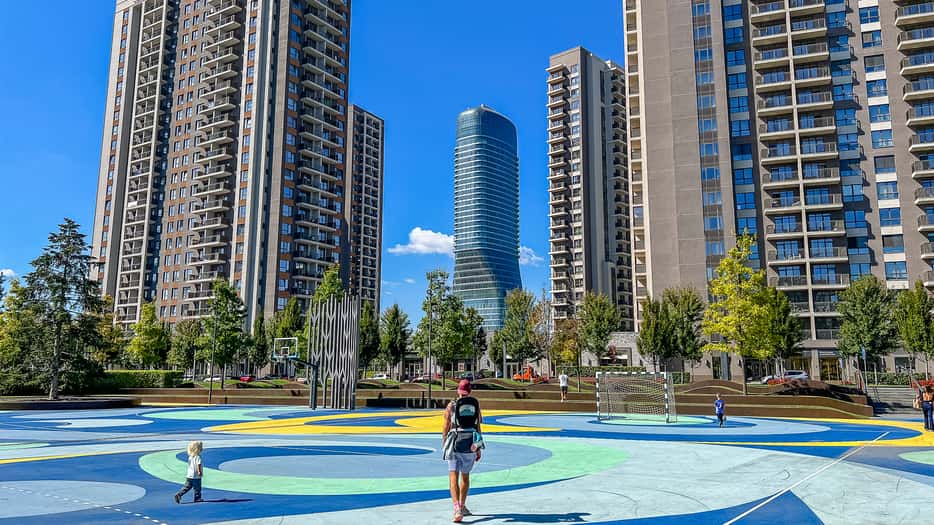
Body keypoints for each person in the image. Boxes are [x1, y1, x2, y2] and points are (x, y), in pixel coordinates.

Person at [442, 379, 483, 523]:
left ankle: (457, 508)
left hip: (454, 442)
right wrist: (478, 447)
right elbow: (478, 426)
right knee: (465, 477)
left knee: (453, 475)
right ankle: (463, 505)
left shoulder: (451, 405)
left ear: (458, 391)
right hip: (470, 443)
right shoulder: (475, 405)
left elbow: (446, 426)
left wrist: (444, 442)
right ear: (470, 391)